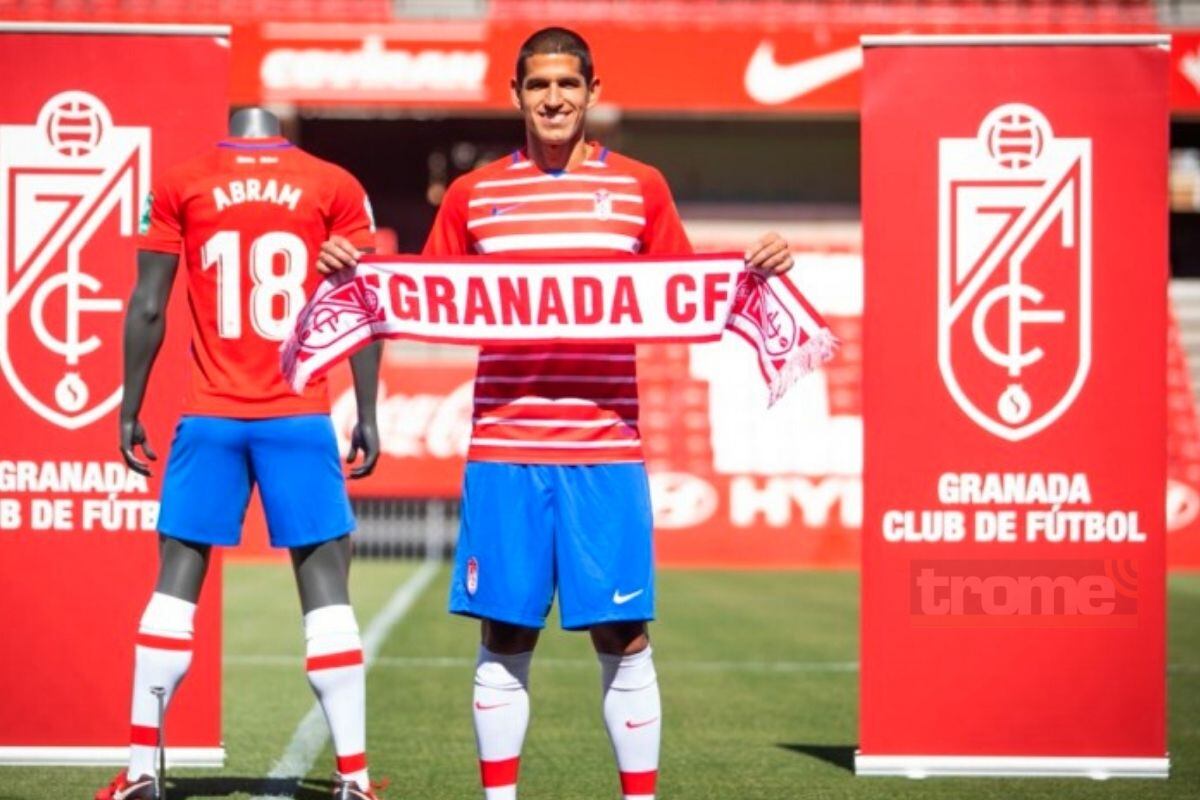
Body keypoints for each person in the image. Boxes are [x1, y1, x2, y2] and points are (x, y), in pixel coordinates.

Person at [320, 26, 793, 800]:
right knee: (505, 633)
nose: (553, 99)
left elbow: (687, 292)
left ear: (592, 93)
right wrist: (356, 272)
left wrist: (755, 268)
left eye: (567, 85)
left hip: (606, 450)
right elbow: (420, 298)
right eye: (538, 85)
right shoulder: (475, 195)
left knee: (623, 634)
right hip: (504, 450)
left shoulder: (642, 187)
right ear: (516, 95)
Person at [97, 109, 386, 800]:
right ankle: (355, 779)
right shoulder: (334, 184)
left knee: (173, 587)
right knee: (326, 595)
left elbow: (147, 306)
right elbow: (364, 304)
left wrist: (129, 406)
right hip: (299, 414)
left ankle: (140, 774)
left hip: (212, 416)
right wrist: (367, 411)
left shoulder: (182, 182)